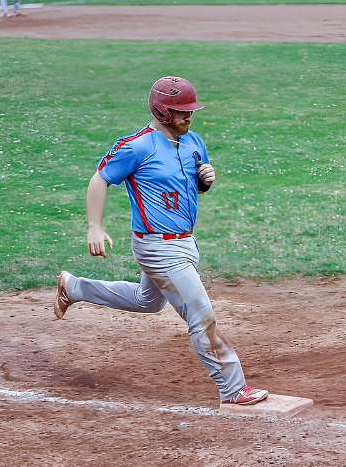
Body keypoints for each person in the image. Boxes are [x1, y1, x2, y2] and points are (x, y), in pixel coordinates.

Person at [54, 76, 270, 407]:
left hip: (186, 243)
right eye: (181, 111)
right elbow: (100, 179)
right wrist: (94, 226)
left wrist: (205, 181)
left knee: (147, 301)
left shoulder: (193, 142)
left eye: (191, 110)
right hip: (157, 247)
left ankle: (74, 287)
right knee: (200, 313)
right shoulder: (137, 146)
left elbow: (189, 187)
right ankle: (233, 387)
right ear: (162, 111)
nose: (189, 116)